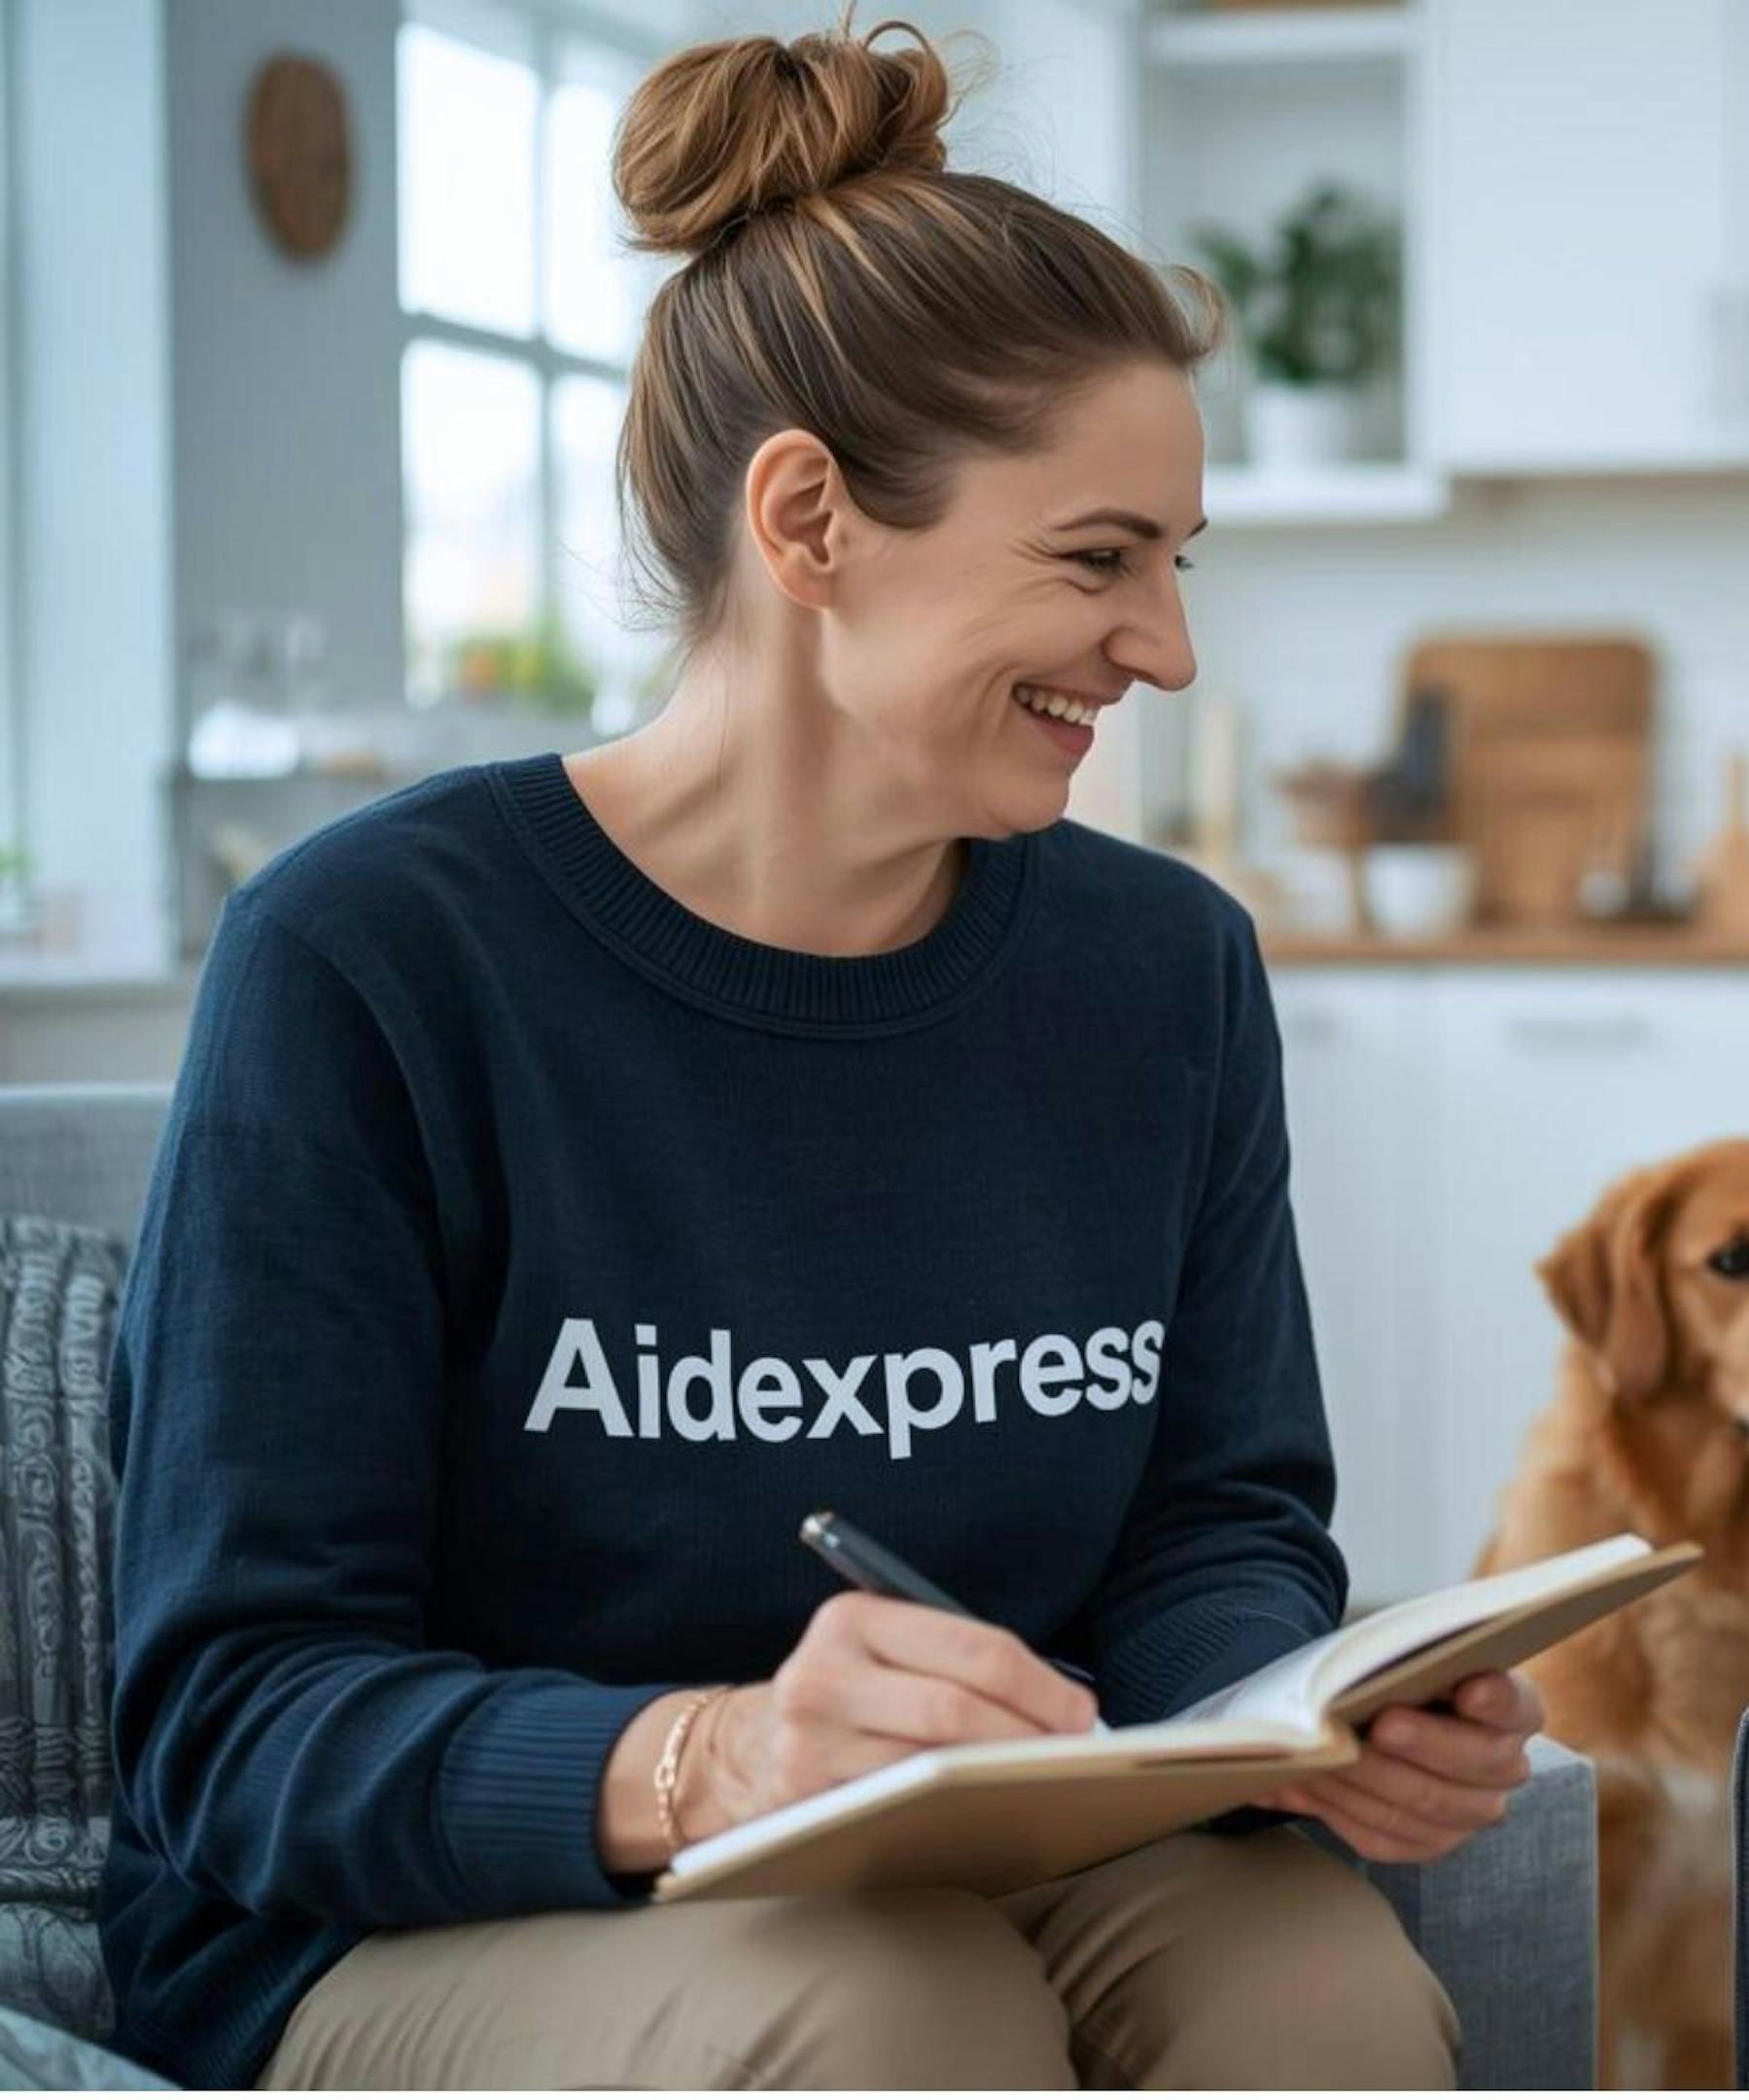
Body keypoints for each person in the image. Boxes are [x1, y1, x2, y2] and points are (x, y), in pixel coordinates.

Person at [104, 20, 1533, 2089]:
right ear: (809, 521)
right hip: (435, 1912)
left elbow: (1215, 1527)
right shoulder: (372, 958)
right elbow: (236, 1713)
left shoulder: (1167, 973)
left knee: (1314, 1989)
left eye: (1174, 563)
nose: (1169, 650)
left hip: (988, 1860)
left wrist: (1301, 1716)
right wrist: (723, 1757)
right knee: (888, 2010)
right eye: (1096, 558)